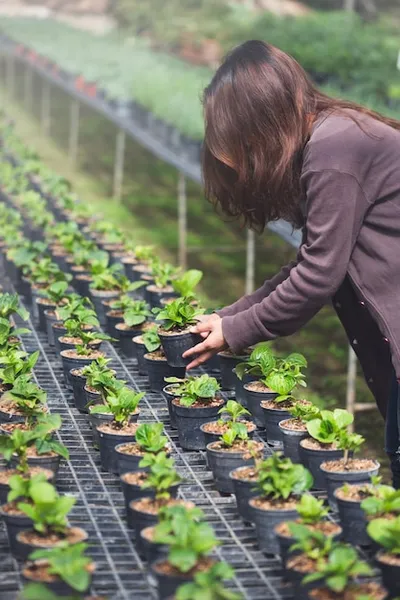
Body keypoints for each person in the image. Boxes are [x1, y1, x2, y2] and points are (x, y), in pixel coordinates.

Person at [182, 40, 400, 487]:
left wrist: (237, 330)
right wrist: (226, 320)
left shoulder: (335, 149)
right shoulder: (329, 138)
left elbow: (317, 276)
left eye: (237, 141)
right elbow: (311, 263)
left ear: (259, 124)